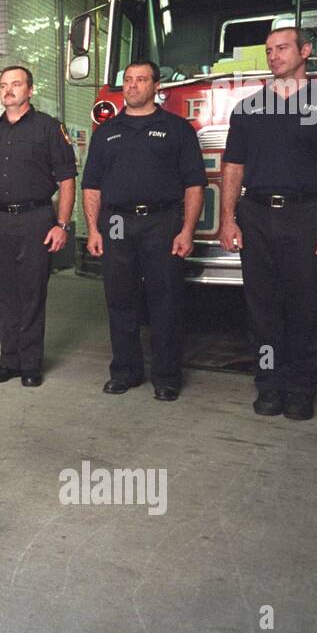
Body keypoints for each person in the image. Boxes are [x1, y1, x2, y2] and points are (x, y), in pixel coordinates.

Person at [219, 26, 317, 421]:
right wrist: (228, 219)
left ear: (305, 51)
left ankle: (301, 389)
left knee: (306, 308)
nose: (274, 56)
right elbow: (233, 168)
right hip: (257, 215)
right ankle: (268, 386)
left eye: (282, 48)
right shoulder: (248, 108)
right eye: (268, 51)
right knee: (262, 309)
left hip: (308, 216)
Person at [82, 61, 206, 401]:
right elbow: (91, 186)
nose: (133, 86)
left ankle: (166, 376)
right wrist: (93, 229)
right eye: (127, 80)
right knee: (120, 299)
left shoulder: (178, 129)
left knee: (165, 300)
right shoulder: (107, 132)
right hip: (117, 222)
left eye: (141, 80)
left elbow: (194, 185)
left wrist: (187, 231)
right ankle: (125, 370)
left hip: (161, 222)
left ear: (156, 87)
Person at [0, 65, 77, 387]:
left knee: (32, 292)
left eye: (15, 84)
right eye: (4, 85)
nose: (8, 90)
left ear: (30, 90)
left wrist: (62, 224)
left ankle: (31, 363)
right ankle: (9, 360)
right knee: (4, 294)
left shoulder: (48, 128)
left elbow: (67, 180)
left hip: (36, 219)